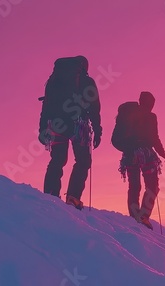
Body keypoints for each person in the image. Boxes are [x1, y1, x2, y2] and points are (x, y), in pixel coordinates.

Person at [38, 56, 102, 210]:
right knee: (83, 161)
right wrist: (98, 130)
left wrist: (42, 128)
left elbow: (46, 106)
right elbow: (94, 108)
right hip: (77, 125)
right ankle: (73, 197)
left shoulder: (53, 80)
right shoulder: (87, 81)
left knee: (57, 160)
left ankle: (50, 195)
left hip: (56, 125)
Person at [117, 91, 165, 229]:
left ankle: (135, 217)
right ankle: (143, 216)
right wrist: (162, 152)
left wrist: (128, 148)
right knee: (152, 186)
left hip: (130, 154)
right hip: (146, 155)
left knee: (134, 186)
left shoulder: (130, 115)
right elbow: (154, 137)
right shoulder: (151, 117)